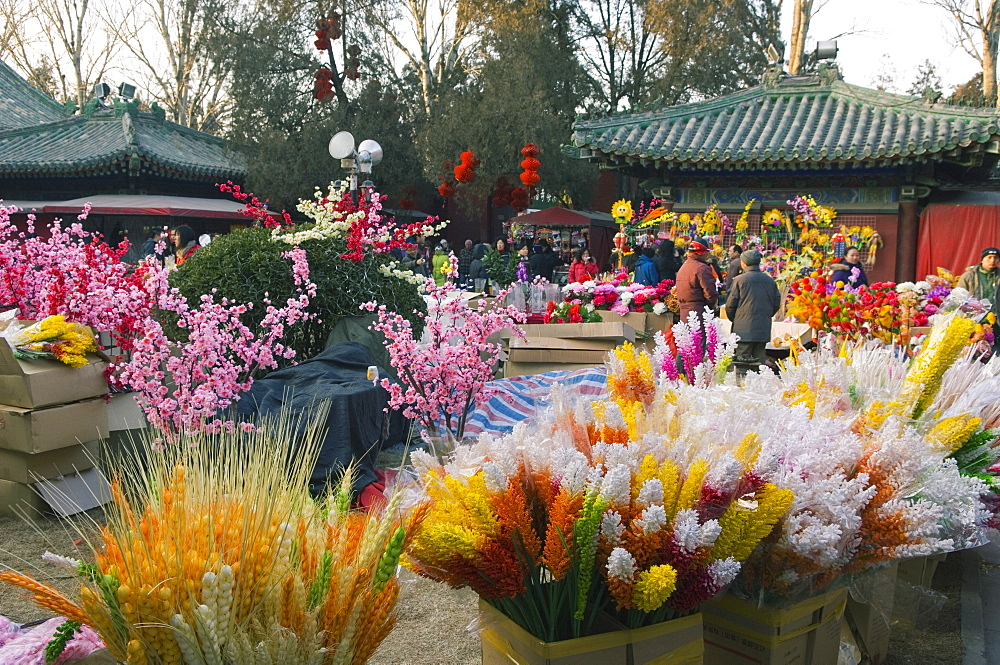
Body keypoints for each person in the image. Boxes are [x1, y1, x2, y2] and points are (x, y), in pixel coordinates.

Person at [725, 249, 782, 372]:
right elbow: (776, 303)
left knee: (742, 364)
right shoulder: (769, 280)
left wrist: (736, 319)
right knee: (758, 363)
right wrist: (766, 315)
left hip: (743, 330)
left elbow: (730, 304)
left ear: (744, 263)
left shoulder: (740, 280)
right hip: (762, 328)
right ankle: (758, 389)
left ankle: (742, 387)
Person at [957, 247, 1000, 351]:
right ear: (982, 259)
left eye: (995, 258)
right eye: (989, 257)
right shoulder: (969, 276)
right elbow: (958, 297)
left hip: (996, 321)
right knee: (975, 353)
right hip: (975, 321)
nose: (992, 261)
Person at [675, 239, 718, 327]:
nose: (708, 254)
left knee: (687, 339)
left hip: (684, 312)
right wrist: (711, 306)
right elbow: (710, 293)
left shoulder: (684, 266)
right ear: (701, 253)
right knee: (698, 338)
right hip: (698, 311)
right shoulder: (702, 268)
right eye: (706, 252)